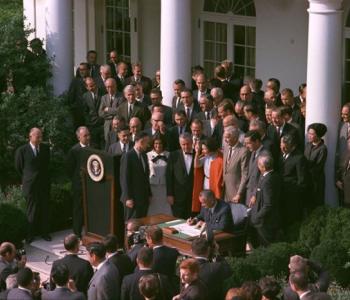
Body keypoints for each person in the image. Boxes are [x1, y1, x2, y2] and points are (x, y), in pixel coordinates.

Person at [15, 127, 51, 242]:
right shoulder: (22, 150)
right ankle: (30, 235)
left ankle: (45, 233)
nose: (40, 138)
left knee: (45, 209)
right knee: (31, 210)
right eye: (37, 136)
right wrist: (28, 178)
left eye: (41, 136)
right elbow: (19, 167)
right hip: (31, 185)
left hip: (43, 184)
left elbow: (47, 165)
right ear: (30, 136)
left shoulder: (45, 149)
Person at [249, 155, 280, 247]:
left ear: (263, 167)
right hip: (266, 219)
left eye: (258, 164)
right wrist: (256, 195)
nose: (257, 166)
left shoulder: (268, 180)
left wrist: (257, 217)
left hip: (265, 221)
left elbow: (268, 204)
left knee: (266, 245)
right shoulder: (270, 175)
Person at [120, 132, 151, 220]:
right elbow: (124, 178)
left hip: (143, 199)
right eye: (146, 143)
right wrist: (128, 198)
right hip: (132, 199)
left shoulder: (144, 156)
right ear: (140, 142)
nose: (148, 145)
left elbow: (145, 177)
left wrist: (149, 194)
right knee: (131, 225)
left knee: (142, 223)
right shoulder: (128, 156)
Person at [278, 135, 307, 229]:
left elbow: (301, 179)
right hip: (282, 192)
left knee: (292, 220)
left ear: (292, 146)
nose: (283, 149)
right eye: (281, 146)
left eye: (285, 147)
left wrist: (296, 194)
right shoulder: (281, 156)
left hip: (292, 195)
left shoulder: (299, 158)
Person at [67, 126, 91, 238]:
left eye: (88, 135)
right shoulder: (74, 151)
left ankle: (91, 231)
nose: (88, 137)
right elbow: (69, 169)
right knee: (78, 210)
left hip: (92, 185)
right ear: (79, 137)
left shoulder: (94, 148)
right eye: (85, 136)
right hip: (79, 186)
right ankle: (77, 233)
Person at [166, 132, 195, 219]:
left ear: (192, 142)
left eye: (188, 144)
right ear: (179, 144)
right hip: (178, 196)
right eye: (183, 144)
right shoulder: (173, 155)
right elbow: (169, 176)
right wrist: (169, 194)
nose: (186, 147)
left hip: (193, 196)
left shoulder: (198, 154)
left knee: (192, 221)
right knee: (178, 220)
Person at [192, 138, 223, 213]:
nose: (203, 151)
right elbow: (196, 165)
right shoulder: (205, 156)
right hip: (206, 181)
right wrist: (197, 152)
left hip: (215, 183)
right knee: (205, 201)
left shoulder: (219, 157)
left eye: (204, 149)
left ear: (211, 148)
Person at [223, 126, 249, 203]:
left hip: (236, 193)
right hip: (225, 192)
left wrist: (239, 193)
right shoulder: (226, 148)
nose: (225, 140)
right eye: (224, 137)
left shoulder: (243, 151)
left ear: (235, 138)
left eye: (227, 137)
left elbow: (245, 174)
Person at [244, 130, 271, 207]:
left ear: (257, 141)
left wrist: (255, 194)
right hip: (249, 193)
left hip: (257, 196)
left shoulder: (265, 154)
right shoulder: (253, 152)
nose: (246, 146)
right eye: (245, 143)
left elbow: (263, 177)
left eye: (248, 143)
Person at [146, 134, 171, 215]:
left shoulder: (169, 155)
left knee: (165, 209)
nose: (158, 145)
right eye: (156, 143)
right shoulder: (147, 155)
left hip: (165, 187)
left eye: (160, 143)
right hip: (152, 186)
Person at [304, 123, 328, 210]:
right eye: (308, 133)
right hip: (307, 180)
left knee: (315, 205)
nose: (309, 136)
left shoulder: (323, 149)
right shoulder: (307, 145)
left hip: (316, 181)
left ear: (318, 135)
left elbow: (318, 167)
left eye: (312, 134)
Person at [82, 77, 104, 149]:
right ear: (87, 87)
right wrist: (88, 122)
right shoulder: (85, 96)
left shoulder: (103, 93)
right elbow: (85, 111)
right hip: (91, 125)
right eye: (91, 86)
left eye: (94, 85)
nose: (93, 87)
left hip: (102, 123)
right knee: (94, 145)